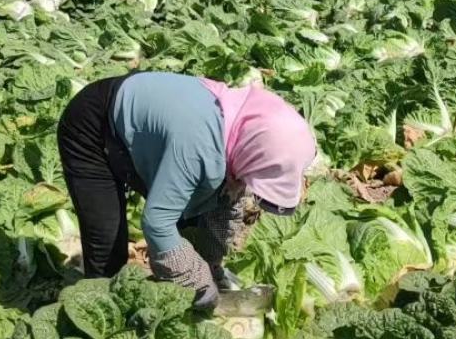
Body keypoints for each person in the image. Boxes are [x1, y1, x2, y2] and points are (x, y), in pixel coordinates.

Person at [57, 71, 317, 308]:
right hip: (92, 126)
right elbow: (157, 223)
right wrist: (196, 282)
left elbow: (225, 202)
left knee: (196, 213)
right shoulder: (199, 144)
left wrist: (210, 264)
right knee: (108, 248)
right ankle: (96, 318)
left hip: (150, 125)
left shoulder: (242, 129)